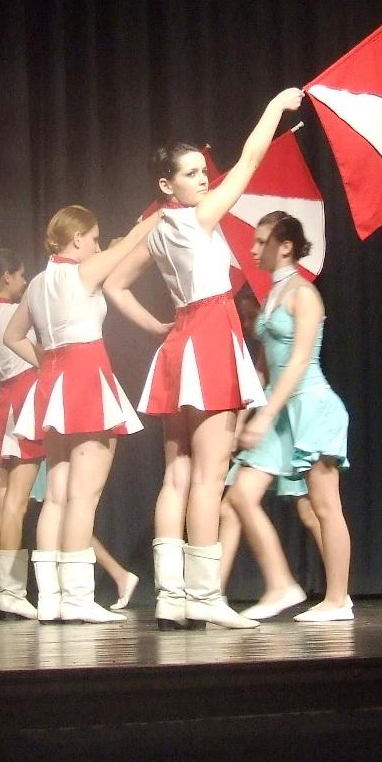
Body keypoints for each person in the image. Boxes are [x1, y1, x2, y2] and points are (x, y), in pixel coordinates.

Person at [104, 87, 304, 629]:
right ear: (166, 184)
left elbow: (116, 286)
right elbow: (251, 160)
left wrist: (159, 328)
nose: (203, 180)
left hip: (182, 341)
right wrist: (276, 106)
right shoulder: (194, 219)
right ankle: (204, 595)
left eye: (202, 172)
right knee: (208, 476)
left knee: (178, 474)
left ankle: (173, 596)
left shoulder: (158, 228)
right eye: (191, 174)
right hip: (210, 336)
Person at [0, 248, 139, 619]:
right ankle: (22, 591)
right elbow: (47, 344)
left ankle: (6, 590)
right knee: (56, 498)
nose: (25, 282)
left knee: (11, 502)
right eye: (20, 275)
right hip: (34, 395)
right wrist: (52, 362)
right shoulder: (19, 309)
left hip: (6, 404)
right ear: (7, 277)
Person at [3, 205, 160, 623]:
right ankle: (76, 598)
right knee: (82, 496)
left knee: (56, 495)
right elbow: (132, 241)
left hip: (54, 381)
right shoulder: (81, 273)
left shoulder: (38, 283)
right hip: (86, 376)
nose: (96, 244)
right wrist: (162, 213)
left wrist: (45, 361)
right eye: (92, 238)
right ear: (77, 239)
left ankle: (51, 599)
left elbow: (11, 335)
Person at [226, 213, 353, 621]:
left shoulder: (304, 294)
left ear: (285, 247)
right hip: (277, 409)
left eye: (261, 241)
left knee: (324, 505)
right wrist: (245, 418)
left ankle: (338, 600)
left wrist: (265, 417)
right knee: (241, 495)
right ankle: (281, 584)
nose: (253, 249)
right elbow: (264, 367)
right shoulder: (272, 296)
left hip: (312, 406)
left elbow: (299, 361)